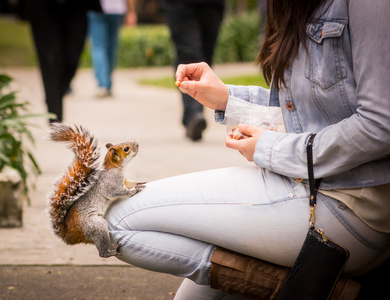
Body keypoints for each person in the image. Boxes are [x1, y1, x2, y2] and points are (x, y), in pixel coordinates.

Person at [103, 0, 389, 298]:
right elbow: (310, 113)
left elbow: (380, 124)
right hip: (308, 184)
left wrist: (272, 149)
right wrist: (227, 99)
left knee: (115, 221)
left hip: (350, 202)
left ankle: (323, 291)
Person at [24, 0, 101, 123]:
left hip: (76, 6)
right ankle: (54, 113)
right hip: (43, 7)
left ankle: (54, 95)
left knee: (73, 57)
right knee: (49, 58)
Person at [162, 0, 225, 141]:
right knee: (189, 55)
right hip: (180, 6)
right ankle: (193, 115)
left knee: (205, 61)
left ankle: (193, 113)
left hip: (212, 5)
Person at [87, 0, 137, 98]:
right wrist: (131, 11)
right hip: (116, 9)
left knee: (98, 46)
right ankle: (107, 83)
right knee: (111, 47)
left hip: (97, 8)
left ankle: (103, 84)